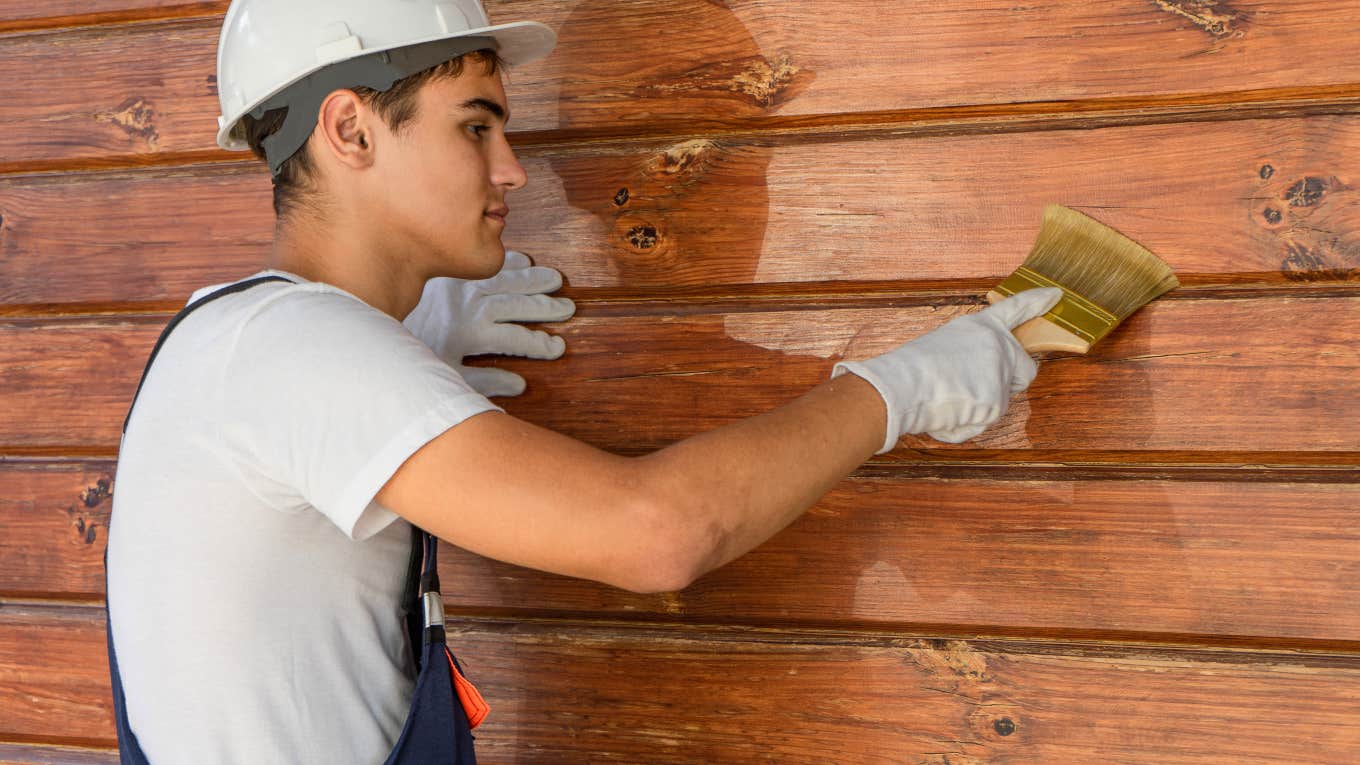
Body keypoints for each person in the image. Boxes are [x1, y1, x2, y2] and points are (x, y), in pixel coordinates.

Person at [103, 0, 1063, 762]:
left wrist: (412, 346)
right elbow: (656, 534)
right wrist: (902, 391)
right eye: (475, 127)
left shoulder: (247, 341)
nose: (513, 170)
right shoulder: (292, 351)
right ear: (350, 130)